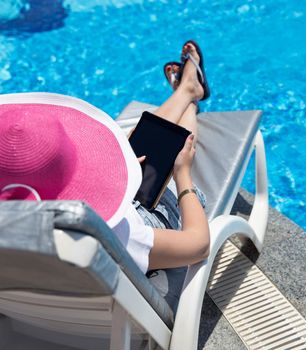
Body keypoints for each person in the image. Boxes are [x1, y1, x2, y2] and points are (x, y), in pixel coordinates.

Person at [0, 40, 210, 274]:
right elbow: (198, 245)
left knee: (136, 146)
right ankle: (190, 100)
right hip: (142, 222)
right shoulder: (116, 236)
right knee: (169, 157)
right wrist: (183, 175)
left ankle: (186, 90)